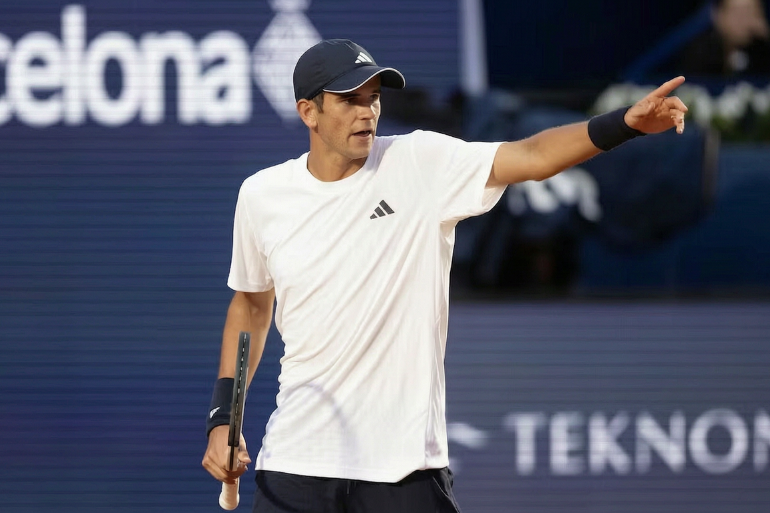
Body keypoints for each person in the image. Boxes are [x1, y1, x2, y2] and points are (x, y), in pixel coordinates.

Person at [201, 39, 688, 513]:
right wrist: (224, 417)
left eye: (373, 98)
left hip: (404, 470)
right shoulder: (262, 196)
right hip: (295, 462)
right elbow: (251, 306)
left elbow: (533, 156)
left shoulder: (419, 161)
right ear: (309, 112)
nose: (367, 112)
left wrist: (623, 125)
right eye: (349, 100)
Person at [678, 0, 770, 77]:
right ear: (718, 15)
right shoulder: (700, 52)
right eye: (737, 13)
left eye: (751, 12)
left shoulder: (762, 48)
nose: (743, 20)